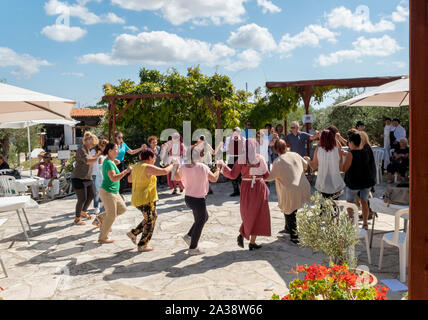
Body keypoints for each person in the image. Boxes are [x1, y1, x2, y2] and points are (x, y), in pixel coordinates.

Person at [221, 138, 271, 250]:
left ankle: (246, 237)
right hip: (259, 187)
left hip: (247, 187)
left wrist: (224, 167)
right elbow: (267, 175)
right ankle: (249, 240)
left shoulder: (241, 159)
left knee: (249, 213)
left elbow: (233, 175)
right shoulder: (261, 158)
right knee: (258, 213)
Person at [175, 146, 221, 255]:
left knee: (204, 217)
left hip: (188, 198)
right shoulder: (202, 167)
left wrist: (177, 166)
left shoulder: (183, 167)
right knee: (200, 221)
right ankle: (193, 248)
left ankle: (189, 236)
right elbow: (214, 178)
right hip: (198, 200)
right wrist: (219, 169)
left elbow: (177, 178)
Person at [126, 149, 174, 252]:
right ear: (149, 158)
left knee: (151, 217)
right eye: (154, 157)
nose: (154, 159)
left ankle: (133, 233)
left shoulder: (136, 166)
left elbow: (129, 179)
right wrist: (172, 165)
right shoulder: (147, 167)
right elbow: (164, 171)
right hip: (146, 198)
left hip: (137, 198)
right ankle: (143, 244)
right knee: (150, 220)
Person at [266, 139, 311, 243]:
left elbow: (270, 177)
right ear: (286, 146)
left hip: (290, 189)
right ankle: (287, 227)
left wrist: (260, 175)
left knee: (290, 211)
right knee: (290, 209)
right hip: (302, 185)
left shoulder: (277, 161)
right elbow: (305, 165)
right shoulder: (295, 154)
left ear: (276, 150)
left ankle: (294, 236)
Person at [97, 143, 133, 244]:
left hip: (114, 191)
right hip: (108, 191)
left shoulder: (111, 161)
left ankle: (102, 217)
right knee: (111, 215)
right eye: (116, 149)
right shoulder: (108, 163)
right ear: (110, 151)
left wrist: (115, 162)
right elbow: (113, 178)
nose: (118, 151)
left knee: (122, 209)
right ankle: (102, 237)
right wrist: (126, 171)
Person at [341, 132, 376, 230]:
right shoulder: (366, 151)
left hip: (353, 183)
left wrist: (341, 158)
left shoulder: (350, 154)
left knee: (350, 202)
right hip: (366, 182)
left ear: (351, 142)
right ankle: (365, 223)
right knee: (364, 201)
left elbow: (344, 169)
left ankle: (351, 221)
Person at [304, 130, 346, 200]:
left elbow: (313, 166)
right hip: (336, 182)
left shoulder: (318, 150)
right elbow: (341, 168)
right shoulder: (338, 151)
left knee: (324, 206)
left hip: (323, 182)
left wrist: (308, 160)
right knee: (334, 206)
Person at [71, 132, 101, 225]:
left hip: (87, 178)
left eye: (94, 144)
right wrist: (99, 157)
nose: (93, 145)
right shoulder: (81, 150)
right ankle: (77, 218)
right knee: (82, 198)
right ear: (87, 141)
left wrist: (97, 155)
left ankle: (83, 212)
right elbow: (88, 161)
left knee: (91, 195)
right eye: (92, 143)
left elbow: (90, 158)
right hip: (79, 178)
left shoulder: (87, 150)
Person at [114, 131, 145, 197]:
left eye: (122, 137)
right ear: (115, 138)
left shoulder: (123, 144)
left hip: (121, 164)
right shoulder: (113, 145)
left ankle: (119, 193)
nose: (121, 139)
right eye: (119, 137)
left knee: (123, 180)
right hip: (114, 164)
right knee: (116, 179)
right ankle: (116, 194)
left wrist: (141, 148)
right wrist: (114, 160)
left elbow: (132, 152)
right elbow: (108, 154)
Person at [224, 127, 245, 197]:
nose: (237, 133)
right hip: (231, 157)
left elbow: (245, 150)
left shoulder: (243, 139)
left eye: (238, 132)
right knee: (232, 174)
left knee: (240, 175)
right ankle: (236, 190)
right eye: (235, 131)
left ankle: (243, 191)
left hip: (240, 157)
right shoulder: (228, 139)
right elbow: (226, 149)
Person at [91, 138, 108, 217]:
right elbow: (90, 160)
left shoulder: (105, 154)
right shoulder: (93, 151)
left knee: (100, 191)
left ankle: (101, 206)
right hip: (94, 173)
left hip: (101, 175)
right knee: (96, 192)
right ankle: (96, 207)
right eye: (103, 145)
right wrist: (97, 154)